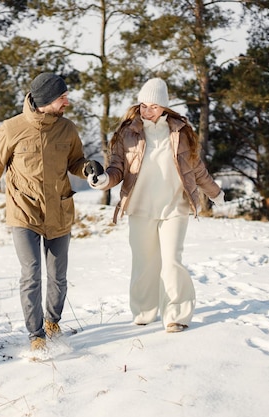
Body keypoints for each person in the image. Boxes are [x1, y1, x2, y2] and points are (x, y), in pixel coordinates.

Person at [86, 77, 225, 333]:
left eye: (153, 106)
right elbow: (116, 168)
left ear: (164, 107)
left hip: (175, 208)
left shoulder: (180, 131)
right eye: (143, 105)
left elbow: (196, 168)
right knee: (144, 262)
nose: (147, 111)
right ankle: (144, 311)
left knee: (172, 261)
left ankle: (176, 315)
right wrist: (103, 180)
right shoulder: (127, 133)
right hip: (140, 208)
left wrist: (215, 193)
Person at [0, 72, 96, 351]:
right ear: (46, 100)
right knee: (31, 273)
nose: (67, 102)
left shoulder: (68, 129)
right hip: (24, 212)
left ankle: (53, 322)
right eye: (62, 97)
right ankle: (36, 334)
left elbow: (75, 161)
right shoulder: (12, 128)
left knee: (58, 275)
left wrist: (87, 168)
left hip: (60, 210)